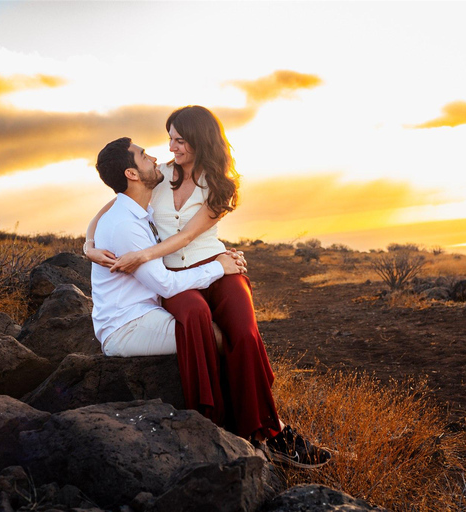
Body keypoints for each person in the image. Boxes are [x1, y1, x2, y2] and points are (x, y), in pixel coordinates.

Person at [87, 107, 331, 468]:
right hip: (175, 279)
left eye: (179, 140)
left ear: (201, 141)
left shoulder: (221, 185)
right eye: (169, 138)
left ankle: (272, 432)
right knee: (198, 324)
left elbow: (188, 235)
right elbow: (111, 205)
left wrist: (144, 254)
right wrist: (87, 246)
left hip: (219, 268)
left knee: (245, 335)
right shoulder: (158, 177)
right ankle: (222, 426)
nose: (171, 148)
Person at [90, 137, 243, 358]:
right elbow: (165, 284)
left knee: (215, 322)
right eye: (144, 156)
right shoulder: (126, 225)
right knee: (215, 335)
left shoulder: (140, 213)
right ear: (131, 174)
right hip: (126, 327)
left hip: (143, 314)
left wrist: (88, 247)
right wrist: (219, 267)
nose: (154, 158)